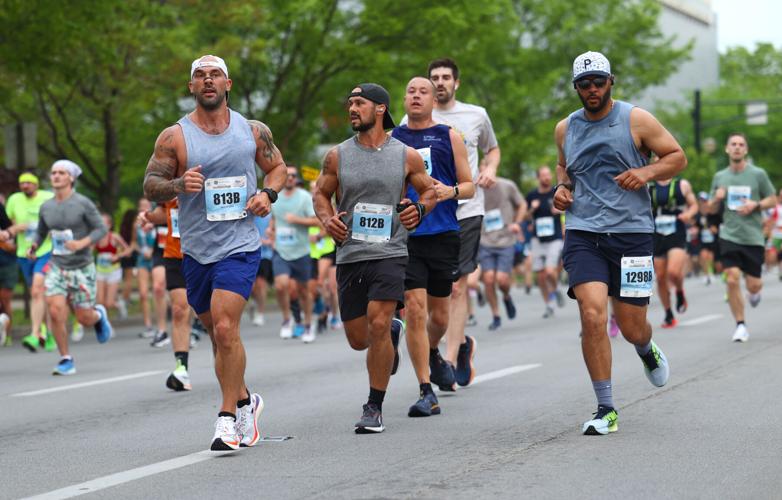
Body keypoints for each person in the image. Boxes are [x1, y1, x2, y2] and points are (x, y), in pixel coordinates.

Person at [143, 55, 287, 450]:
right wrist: (176, 184)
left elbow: (279, 170)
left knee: (225, 328)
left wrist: (267, 194)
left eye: (215, 75)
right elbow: (150, 184)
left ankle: (227, 418)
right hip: (196, 250)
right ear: (191, 87)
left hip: (239, 245)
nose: (208, 81)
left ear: (228, 84)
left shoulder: (253, 131)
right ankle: (246, 400)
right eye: (200, 76)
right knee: (218, 335)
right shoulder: (174, 137)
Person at [554, 51, 685, 435]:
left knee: (631, 327)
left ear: (611, 81)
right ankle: (605, 407)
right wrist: (562, 189)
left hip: (632, 233)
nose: (592, 90)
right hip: (583, 232)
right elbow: (564, 167)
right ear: (576, 87)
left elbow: (677, 157)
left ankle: (646, 348)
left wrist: (645, 172)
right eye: (584, 84)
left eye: (599, 82)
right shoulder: (566, 128)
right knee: (592, 315)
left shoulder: (636, 119)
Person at [313, 82, 436, 433]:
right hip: (351, 251)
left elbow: (428, 191)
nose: (352, 109)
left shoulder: (404, 154)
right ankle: (390, 334)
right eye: (350, 103)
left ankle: (374, 406)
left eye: (360, 103)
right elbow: (321, 194)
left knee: (378, 322)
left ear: (380, 109)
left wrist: (419, 209)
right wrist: (326, 219)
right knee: (359, 338)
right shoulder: (337, 155)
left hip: (391, 250)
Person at [391, 76, 474, 414]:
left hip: (443, 233)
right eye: (410, 91)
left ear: (433, 100)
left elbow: (469, 185)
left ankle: (433, 349)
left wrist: (449, 192)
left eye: (423, 91)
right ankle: (426, 390)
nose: (416, 96)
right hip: (407, 235)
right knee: (414, 309)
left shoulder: (448, 136)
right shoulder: (392, 139)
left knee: (439, 316)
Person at [427, 58, 500, 388]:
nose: (439, 82)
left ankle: (451, 360)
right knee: (433, 292)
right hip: (430, 213)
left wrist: (490, 169)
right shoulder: (415, 118)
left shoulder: (476, 115)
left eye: (445, 77)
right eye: (434, 78)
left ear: (456, 82)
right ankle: (460, 344)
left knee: (458, 286)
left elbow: (493, 150)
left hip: (467, 208)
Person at [29, 160, 114, 375]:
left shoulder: (83, 203)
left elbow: (101, 229)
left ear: (71, 178)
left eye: (61, 173)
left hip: (82, 266)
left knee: (84, 318)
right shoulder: (46, 206)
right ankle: (65, 358)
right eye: (53, 173)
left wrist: (81, 243)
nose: (56, 176)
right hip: (58, 264)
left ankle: (97, 315)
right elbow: (41, 231)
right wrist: (35, 245)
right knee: (56, 310)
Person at [707, 133, 777, 342]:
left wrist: (755, 205)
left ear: (745, 150)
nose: (737, 148)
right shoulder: (720, 177)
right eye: (733, 144)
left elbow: (772, 199)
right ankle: (740, 325)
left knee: (754, 284)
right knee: (732, 277)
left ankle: (754, 294)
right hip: (729, 234)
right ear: (727, 149)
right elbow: (710, 207)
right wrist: (717, 199)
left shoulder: (758, 174)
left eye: (741, 145)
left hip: (753, 237)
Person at [139, 199, 196, 390]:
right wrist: (148, 216)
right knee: (179, 309)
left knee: (215, 320)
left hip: (206, 252)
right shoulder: (168, 181)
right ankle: (182, 369)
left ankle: (226, 365)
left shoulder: (207, 173)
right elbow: (164, 212)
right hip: (175, 253)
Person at [4, 172, 54, 352]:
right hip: (23, 253)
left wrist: (50, 231)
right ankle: (47, 332)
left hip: (46, 251)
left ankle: (36, 333)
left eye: (28, 183)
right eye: (22, 183)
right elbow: (8, 223)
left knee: (37, 289)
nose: (25, 185)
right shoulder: (14, 200)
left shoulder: (47, 197)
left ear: (36, 184)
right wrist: (13, 230)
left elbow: (58, 220)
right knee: (38, 294)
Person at [270, 165, 319, 343]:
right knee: (281, 285)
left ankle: (307, 323)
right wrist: (271, 230)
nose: (290, 178)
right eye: (287, 175)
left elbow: (316, 221)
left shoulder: (304, 197)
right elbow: (274, 220)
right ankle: (286, 319)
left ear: (296, 179)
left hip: (301, 250)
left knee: (303, 291)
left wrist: (296, 219)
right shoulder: (275, 198)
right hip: (281, 249)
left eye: (293, 176)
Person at [649, 177, 698, 328]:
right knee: (661, 277)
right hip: (657, 233)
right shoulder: (649, 186)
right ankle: (668, 313)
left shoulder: (682, 184)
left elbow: (694, 205)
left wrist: (688, 215)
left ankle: (679, 290)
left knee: (673, 272)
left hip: (677, 231)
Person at [479, 177, 526, 331]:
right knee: (488, 279)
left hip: (506, 239)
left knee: (502, 280)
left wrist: (517, 223)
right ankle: (496, 316)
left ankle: (506, 296)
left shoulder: (507, 185)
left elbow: (522, 204)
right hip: (485, 240)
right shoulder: (475, 189)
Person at [526, 165, 565, 319]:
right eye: (544, 175)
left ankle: (555, 290)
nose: (547, 177)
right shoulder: (531, 196)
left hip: (554, 238)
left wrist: (559, 211)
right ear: (538, 178)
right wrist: (531, 209)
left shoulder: (557, 192)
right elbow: (524, 217)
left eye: (549, 175)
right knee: (541, 276)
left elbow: (570, 208)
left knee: (550, 271)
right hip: (538, 238)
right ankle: (549, 304)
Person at [132, 198, 159, 338]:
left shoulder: (156, 221)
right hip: (142, 259)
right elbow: (133, 243)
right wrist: (142, 251)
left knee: (157, 290)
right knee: (143, 294)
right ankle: (148, 325)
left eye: (146, 206)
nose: (143, 208)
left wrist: (153, 251)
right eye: (141, 206)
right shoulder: (136, 224)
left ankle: (160, 323)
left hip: (155, 258)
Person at [94, 212, 131, 316]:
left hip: (113, 272)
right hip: (100, 271)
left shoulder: (114, 237)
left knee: (108, 303)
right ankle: (105, 327)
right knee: (100, 302)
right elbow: (89, 250)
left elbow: (128, 250)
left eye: (103, 223)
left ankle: (119, 304)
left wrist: (118, 256)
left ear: (109, 225)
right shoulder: (96, 237)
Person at [250, 213, 274, 327]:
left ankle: (260, 313)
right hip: (249, 252)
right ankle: (254, 301)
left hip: (265, 254)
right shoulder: (248, 213)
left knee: (261, 284)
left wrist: (270, 239)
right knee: (252, 286)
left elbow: (274, 231)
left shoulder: (270, 215)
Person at [0, 197, 15, 346]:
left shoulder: (1, 211)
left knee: (5, 299)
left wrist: (5, 242)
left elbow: (11, 237)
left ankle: (8, 334)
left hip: (7, 262)